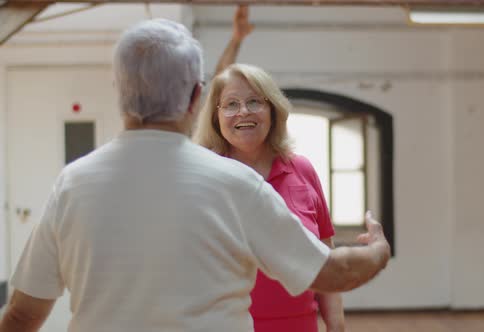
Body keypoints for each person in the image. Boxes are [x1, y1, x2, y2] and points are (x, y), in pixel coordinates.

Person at [0, 18, 390, 332]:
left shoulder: (72, 185)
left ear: (119, 91)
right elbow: (333, 272)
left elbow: (21, 317)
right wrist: (377, 250)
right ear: (195, 98)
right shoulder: (235, 184)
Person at [207, 8, 345, 329]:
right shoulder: (208, 171)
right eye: (231, 104)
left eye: (255, 101)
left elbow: (324, 257)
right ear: (216, 117)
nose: (244, 111)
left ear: (273, 111)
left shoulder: (302, 169)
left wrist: (336, 324)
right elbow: (215, 84)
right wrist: (235, 41)